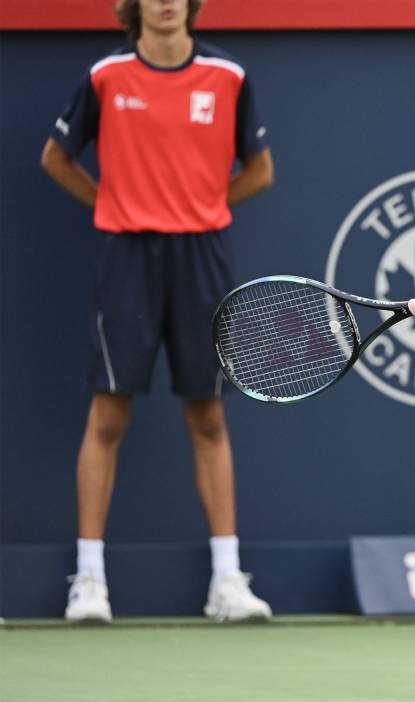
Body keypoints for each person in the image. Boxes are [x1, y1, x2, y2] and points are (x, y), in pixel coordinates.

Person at [41, 0, 274, 623]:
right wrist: (112, 203)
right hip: (127, 257)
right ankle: (90, 581)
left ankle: (227, 581)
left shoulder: (228, 77)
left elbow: (260, 171)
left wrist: (200, 204)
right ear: (134, 5)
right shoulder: (105, 76)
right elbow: (56, 157)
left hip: (202, 258)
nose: (166, 1)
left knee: (208, 414)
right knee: (109, 413)